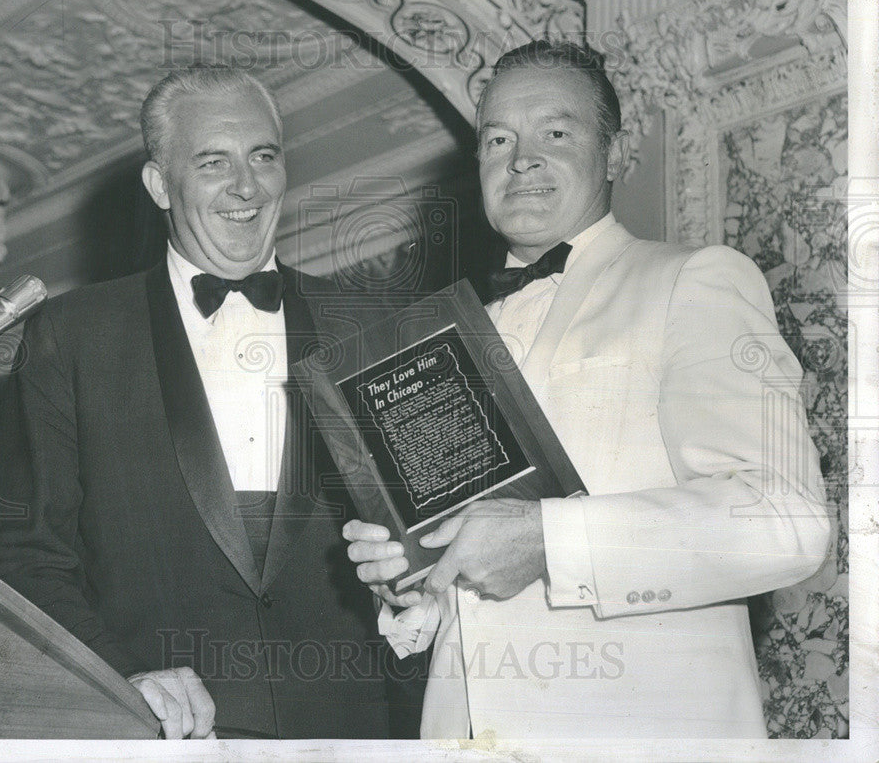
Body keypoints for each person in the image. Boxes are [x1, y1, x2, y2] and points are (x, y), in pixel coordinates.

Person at [344, 40, 832, 739]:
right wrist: (413, 578)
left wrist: (548, 540)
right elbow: (466, 599)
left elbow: (785, 519)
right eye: (499, 139)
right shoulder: (441, 345)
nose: (522, 159)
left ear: (616, 153)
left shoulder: (696, 278)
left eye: (556, 131)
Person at [0, 65, 412, 740]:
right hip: (160, 734)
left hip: (361, 730)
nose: (246, 185)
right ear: (159, 184)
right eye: (214, 162)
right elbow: (24, 557)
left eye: (263, 156)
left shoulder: (368, 319)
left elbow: (432, 542)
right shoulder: (72, 335)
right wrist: (123, 674)